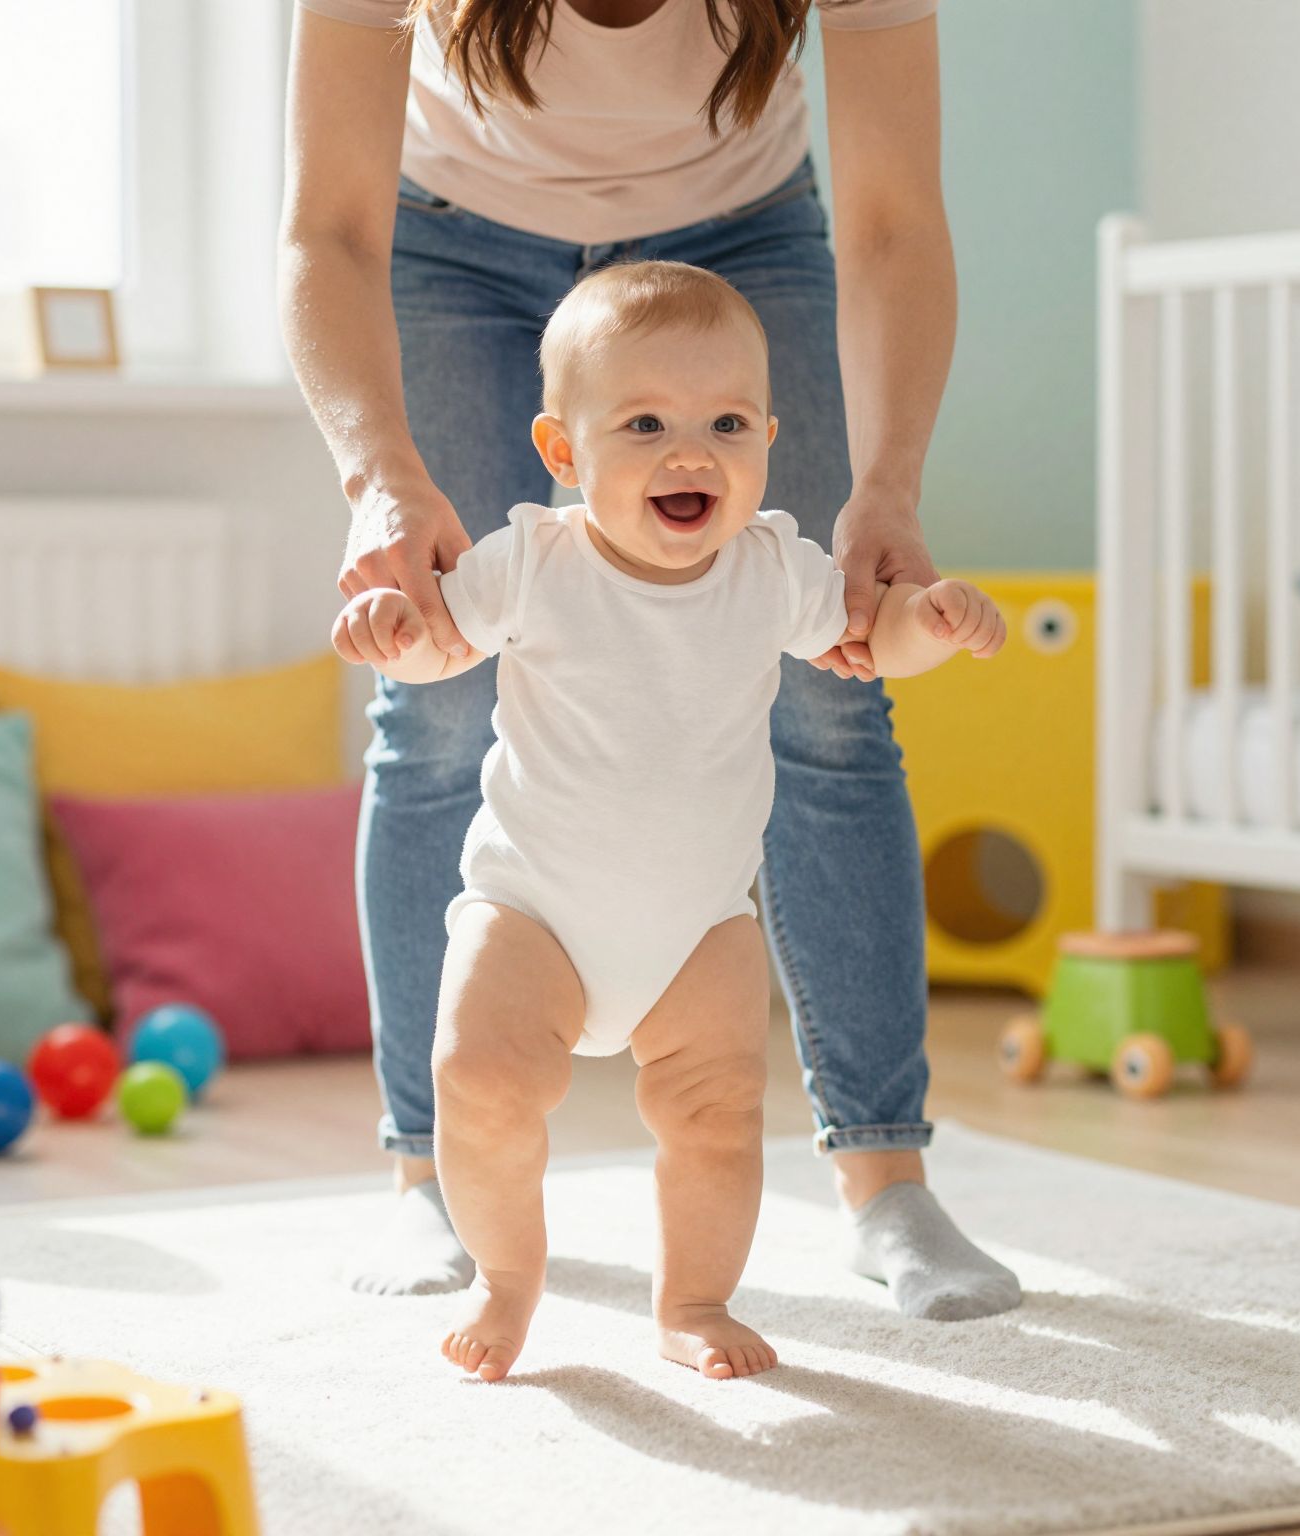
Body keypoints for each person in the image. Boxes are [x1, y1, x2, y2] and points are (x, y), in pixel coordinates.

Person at [280, 0, 1023, 1321]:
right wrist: (376, 473)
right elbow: (328, 229)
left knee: (833, 694)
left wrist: (889, 488)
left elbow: (893, 224)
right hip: (450, 239)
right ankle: (431, 1172)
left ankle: (884, 1178)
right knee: (434, 704)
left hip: (743, 233)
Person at [332, 260, 1005, 1379]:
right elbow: (441, 649)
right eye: (644, 425)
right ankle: (505, 1278)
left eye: (726, 425)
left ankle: (692, 1302)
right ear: (564, 453)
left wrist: (931, 625)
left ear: (768, 440)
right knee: (482, 1085)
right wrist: (394, 634)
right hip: (532, 910)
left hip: (698, 926)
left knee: (718, 1117)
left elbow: (868, 641)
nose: (691, 454)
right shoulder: (530, 559)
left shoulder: (770, 567)